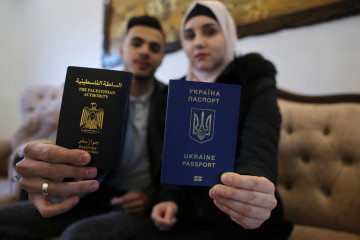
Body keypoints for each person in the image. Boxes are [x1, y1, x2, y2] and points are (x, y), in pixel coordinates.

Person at [0, 15, 167, 240]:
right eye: (136, 43)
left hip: (134, 206)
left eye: (154, 47)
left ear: (161, 57)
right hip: (89, 192)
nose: (145, 51)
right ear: (121, 50)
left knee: (76, 236)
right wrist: (40, 157)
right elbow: (61, 141)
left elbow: (176, 167)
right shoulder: (100, 93)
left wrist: (150, 197)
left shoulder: (171, 103)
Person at [136, 1, 293, 239]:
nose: (198, 42)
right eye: (189, 35)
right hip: (185, 214)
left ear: (229, 34)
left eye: (210, 31)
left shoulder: (254, 82)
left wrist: (249, 190)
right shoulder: (175, 94)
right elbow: (176, 158)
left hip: (236, 212)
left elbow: (259, 148)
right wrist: (170, 199)